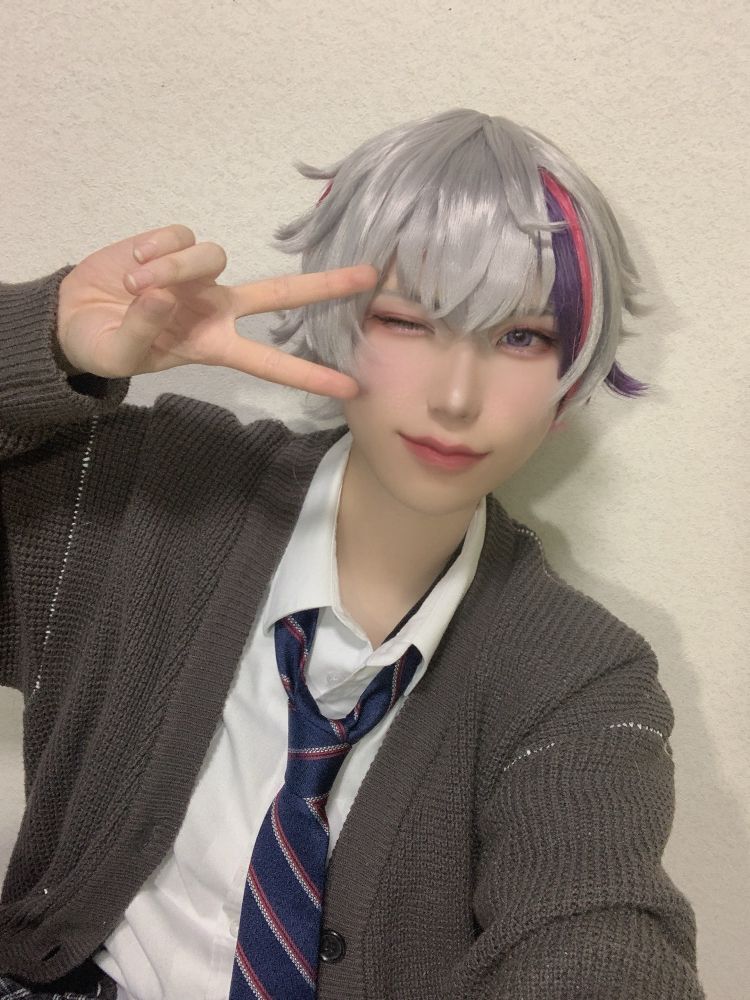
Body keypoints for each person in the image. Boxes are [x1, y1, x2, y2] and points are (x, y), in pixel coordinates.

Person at [0, 108, 705, 999]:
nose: (456, 397)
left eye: (521, 337)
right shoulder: (148, 497)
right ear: (337, 321)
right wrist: (38, 339)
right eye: (408, 321)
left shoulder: (579, 675)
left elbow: (597, 924)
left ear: (570, 376)